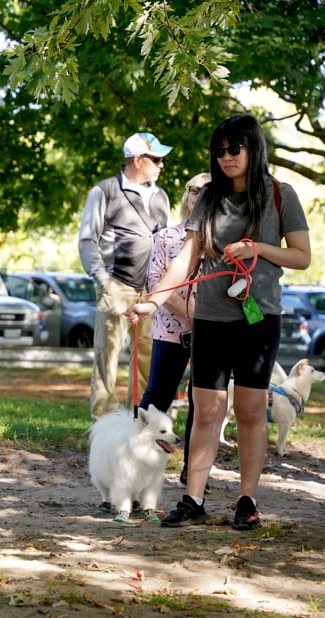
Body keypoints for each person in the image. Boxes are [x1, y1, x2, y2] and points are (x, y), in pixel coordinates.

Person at [126, 114, 311, 529]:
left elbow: (302, 256)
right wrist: (152, 303)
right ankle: (193, 499)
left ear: (253, 148)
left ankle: (247, 500)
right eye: (219, 151)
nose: (226, 158)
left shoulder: (281, 194)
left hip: (259, 318)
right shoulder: (209, 197)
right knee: (206, 409)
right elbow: (185, 260)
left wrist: (258, 248)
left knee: (249, 410)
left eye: (234, 149)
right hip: (209, 318)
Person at [79, 132, 172, 418]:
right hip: (116, 284)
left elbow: (165, 243)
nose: (161, 165)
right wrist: (103, 280)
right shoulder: (104, 191)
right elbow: (87, 239)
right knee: (107, 357)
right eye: (156, 159)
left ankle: (141, 419)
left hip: (150, 290)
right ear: (138, 160)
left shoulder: (161, 196)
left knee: (147, 357)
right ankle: (101, 421)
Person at [137, 173, 211, 487]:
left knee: (203, 400)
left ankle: (192, 473)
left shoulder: (224, 240)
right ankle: (132, 454)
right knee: (157, 395)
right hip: (170, 328)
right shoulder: (167, 236)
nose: (199, 196)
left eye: (207, 191)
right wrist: (189, 313)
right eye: (194, 191)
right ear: (186, 196)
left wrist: (207, 317)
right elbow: (155, 282)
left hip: (212, 332)